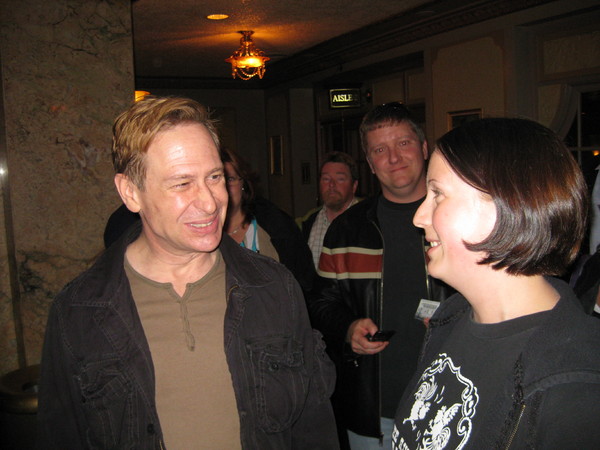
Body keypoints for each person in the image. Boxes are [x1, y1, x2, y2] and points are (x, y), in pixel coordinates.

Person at [37, 96, 339, 449]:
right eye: (182, 183)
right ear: (131, 193)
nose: (210, 202)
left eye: (215, 177)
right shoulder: (79, 310)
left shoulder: (274, 287)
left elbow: (313, 425)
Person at [393, 118, 600, 449]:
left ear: (509, 205)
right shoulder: (451, 319)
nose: (419, 217)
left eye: (438, 194)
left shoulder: (575, 386)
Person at [308, 103, 452, 449]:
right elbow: (321, 303)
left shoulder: (458, 220)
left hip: (447, 401)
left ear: (424, 148)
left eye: (403, 143)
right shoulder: (346, 230)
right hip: (371, 409)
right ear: (370, 165)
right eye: (380, 150)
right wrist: (348, 327)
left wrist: (454, 317)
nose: (394, 158)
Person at [221, 146, 316, 294]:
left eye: (230, 179)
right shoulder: (201, 235)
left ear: (243, 184)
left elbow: (304, 285)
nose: (224, 188)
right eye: (216, 179)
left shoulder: (278, 228)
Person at [300, 152, 360, 267]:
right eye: (326, 179)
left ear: (354, 186)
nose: (332, 184)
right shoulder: (305, 224)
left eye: (340, 179)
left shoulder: (369, 222)